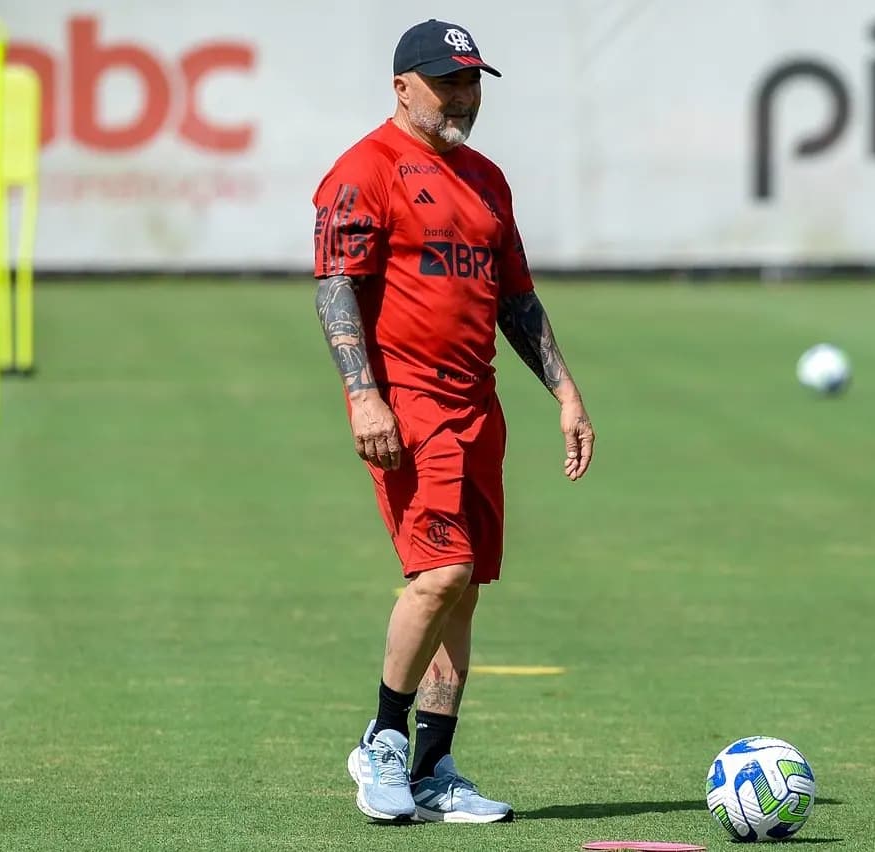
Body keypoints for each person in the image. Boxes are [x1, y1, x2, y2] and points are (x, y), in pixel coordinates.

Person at [311, 18, 596, 824]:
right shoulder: (364, 170)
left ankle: (434, 768)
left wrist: (566, 394)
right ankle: (382, 739)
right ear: (403, 88)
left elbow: (516, 298)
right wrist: (364, 395)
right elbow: (335, 285)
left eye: (471, 80)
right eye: (445, 82)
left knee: (462, 590)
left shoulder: (486, 180)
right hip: (407, 406)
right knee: (440, 573)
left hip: (478, 404)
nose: (462, 96)